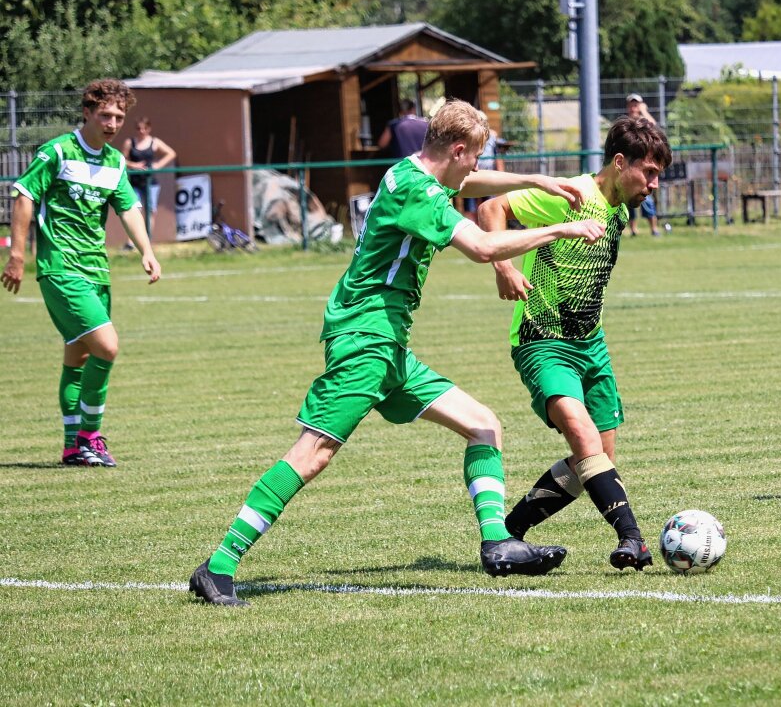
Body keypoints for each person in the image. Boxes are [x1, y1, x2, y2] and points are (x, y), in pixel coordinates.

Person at [189, 100, 607, 606]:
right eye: (474, 156)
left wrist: (536, 181)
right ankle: (219, 566)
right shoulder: (420, 193)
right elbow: (482, 247)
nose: (476, 166)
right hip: (365, 338)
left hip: (387, 342)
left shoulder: (409, 171)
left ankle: (498, 544)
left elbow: (468, 184)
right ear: (456, 150)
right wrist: (563, 229)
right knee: (314, 452)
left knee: (483, 424)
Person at [477, 116, 672, 570]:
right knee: (585, 440)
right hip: (541, 341)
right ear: (619, 162)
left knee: (595, 460)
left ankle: (508, 534)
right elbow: (491, 209)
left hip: (592, 346)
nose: (654, 184)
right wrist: (504, 267)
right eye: (649, 172)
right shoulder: (572, 195)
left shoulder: (620, 208)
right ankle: (633, 539)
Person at [1, 79, 162, 467]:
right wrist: (18, 255)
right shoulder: (57, 151)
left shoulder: (115, 162)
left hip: (97, 272)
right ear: (87, 112)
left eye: (119, 116)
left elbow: (128, 208)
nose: (112, 122)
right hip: (60, 269)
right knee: (107, 346)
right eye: (105, 114)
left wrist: (147, 250)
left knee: (77, 359)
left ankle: (73, 446)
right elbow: (24, 196)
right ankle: (91, 437)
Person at [120, 118, 176, 244]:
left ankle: (147, 241)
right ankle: (131, 243)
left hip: (151, 183)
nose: (141, 131)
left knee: (151, 211)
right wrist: (134, 165)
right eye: (139, 128)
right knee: (134, 211)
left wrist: (157, 166)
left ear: (149, 129)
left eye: (144, 128)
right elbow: (121, 160)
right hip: (134, 183)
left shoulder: (154, 142)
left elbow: (171, 153)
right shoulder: (130, 142)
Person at [625, 93, 663, 237]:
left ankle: (654, 229)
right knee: (629, 199)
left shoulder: (644, 121)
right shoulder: (625, 121)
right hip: (629, 167)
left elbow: (653, 126)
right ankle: (633, 230)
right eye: (631, 104)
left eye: (636, 104)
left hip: (643, 166)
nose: (633, 107)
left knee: (646, 197)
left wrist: (644, 111)